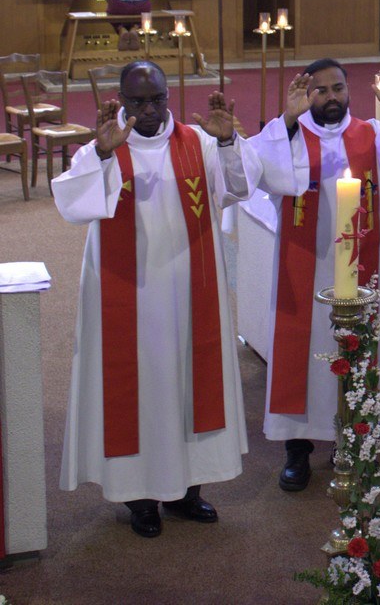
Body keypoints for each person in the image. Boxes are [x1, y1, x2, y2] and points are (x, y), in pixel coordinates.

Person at [52, 61, 259, 538]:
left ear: (168, 97)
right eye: (137, 101)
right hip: (127, 296)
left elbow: (240, 186)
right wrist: (102, 155)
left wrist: (229, 141)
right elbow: (72, 205)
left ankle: (187, 491)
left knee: (189, 379)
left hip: (190, 291)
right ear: (121, 101)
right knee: (138, 387)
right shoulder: (106, 145)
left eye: (157, 100)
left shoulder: (199, 142)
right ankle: (140, 497)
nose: (148, 110)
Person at [247, 58, 380, 491]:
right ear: (307, 95)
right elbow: (259, 168)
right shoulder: (290, 134)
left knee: (356, 348)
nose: (331, 97)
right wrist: (289, 121)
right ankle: (297, 448)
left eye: (338, 88)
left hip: (361, 262)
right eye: (321, 90)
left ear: (349, 90)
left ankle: (352, 439)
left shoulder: (370, 134)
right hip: (306, 264)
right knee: (305, 352)